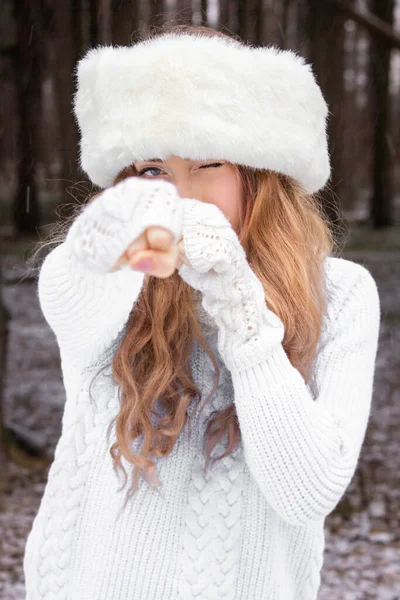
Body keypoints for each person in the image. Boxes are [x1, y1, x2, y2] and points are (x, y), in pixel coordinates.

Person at [23, 23, 381, 600]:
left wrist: (240, 302)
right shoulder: (114, 274)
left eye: (207, 163)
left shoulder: (340, 294)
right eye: (151, 169)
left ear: (260, 172)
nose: (178, 193)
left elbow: (308, 491)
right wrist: (116, 230)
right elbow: (70, 291)